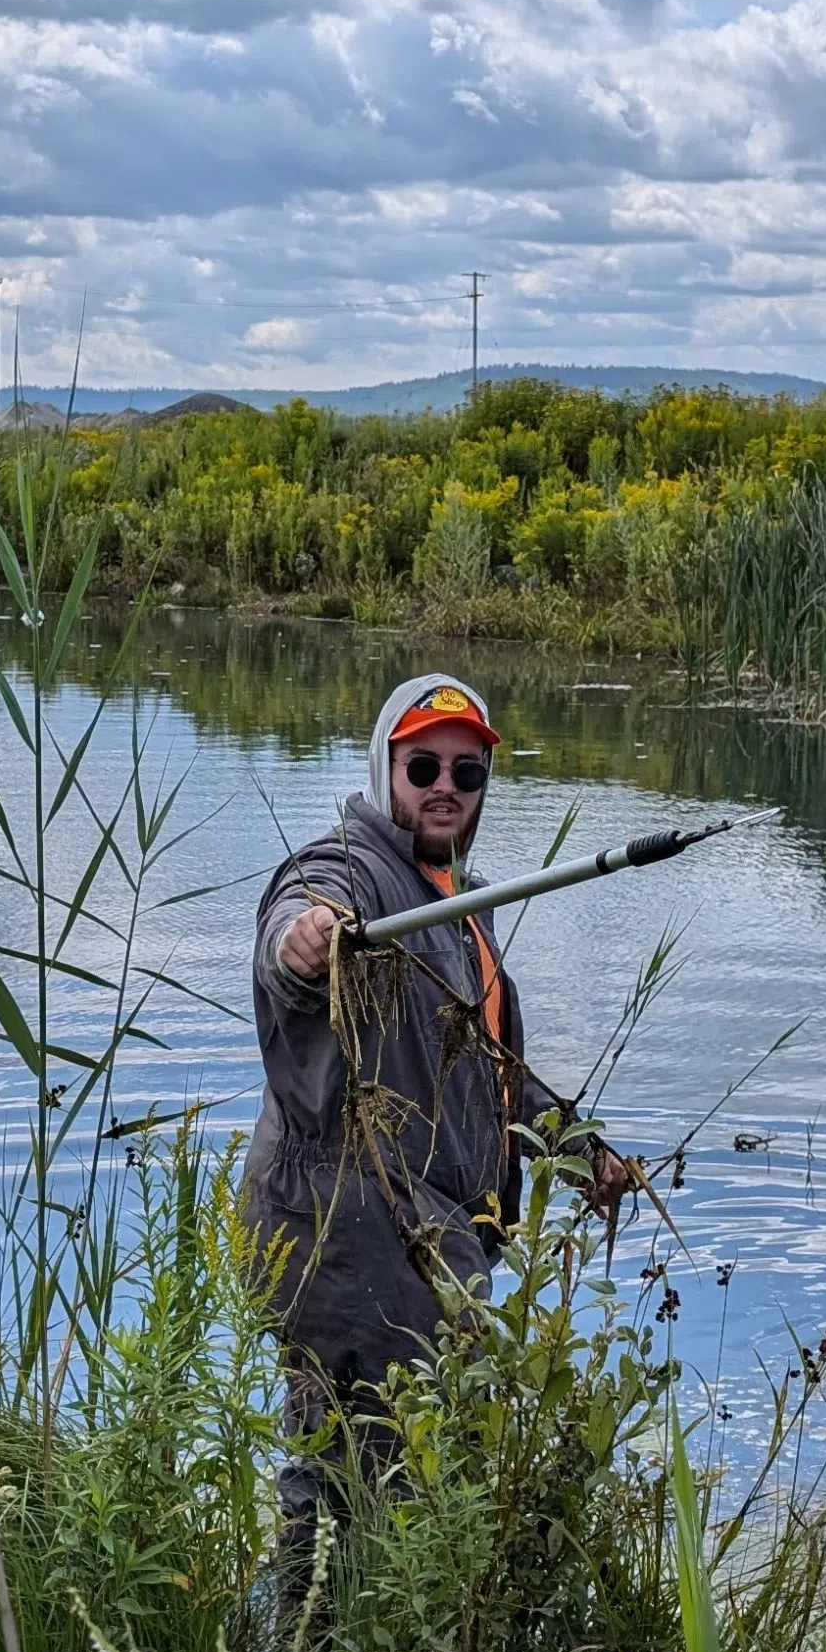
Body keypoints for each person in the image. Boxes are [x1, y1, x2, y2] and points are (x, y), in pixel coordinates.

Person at [243, 672, 628, 1597]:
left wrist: (578, 1150)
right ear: (386, 770)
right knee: (342, 1491)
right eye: (422, 766)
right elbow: (292, 931)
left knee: (416, 1483)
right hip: (343, 1229)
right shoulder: (345, 869)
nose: (445, 785)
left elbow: (487, 1070)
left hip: (430, 1239)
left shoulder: (463, 903)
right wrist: (306, 940)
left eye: (468, 771)